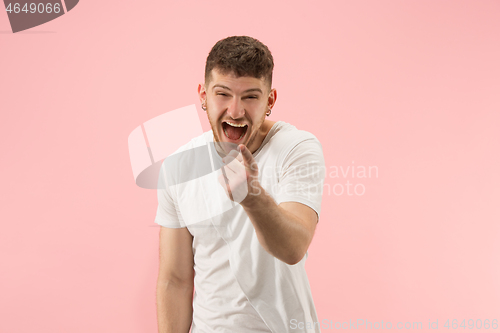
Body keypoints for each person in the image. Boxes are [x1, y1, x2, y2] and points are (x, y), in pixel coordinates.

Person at [155, 35, 326, 333]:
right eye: (223, 94)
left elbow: (293, 248)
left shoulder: (298, 148)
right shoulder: (178, 166)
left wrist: (252, 196)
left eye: (250, 96)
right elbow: (175, 279)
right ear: (203, 95)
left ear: (270, 100)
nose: (235, 111)